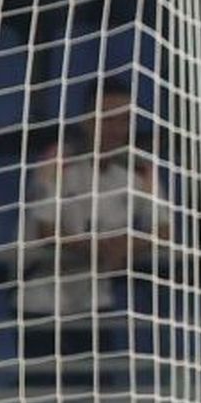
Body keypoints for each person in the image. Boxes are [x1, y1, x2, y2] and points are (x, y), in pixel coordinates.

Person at [19, 78, 169, 357]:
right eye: (108, 119)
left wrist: (128, 245)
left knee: (97, 388)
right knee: (39, 393)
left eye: (124, 120)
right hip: (41, 300)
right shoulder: (57, 162)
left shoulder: (140, 169)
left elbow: (164, 229)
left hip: (95, 301)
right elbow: (46, 229)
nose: (116, 129)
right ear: (88, 120)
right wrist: (98, 247)